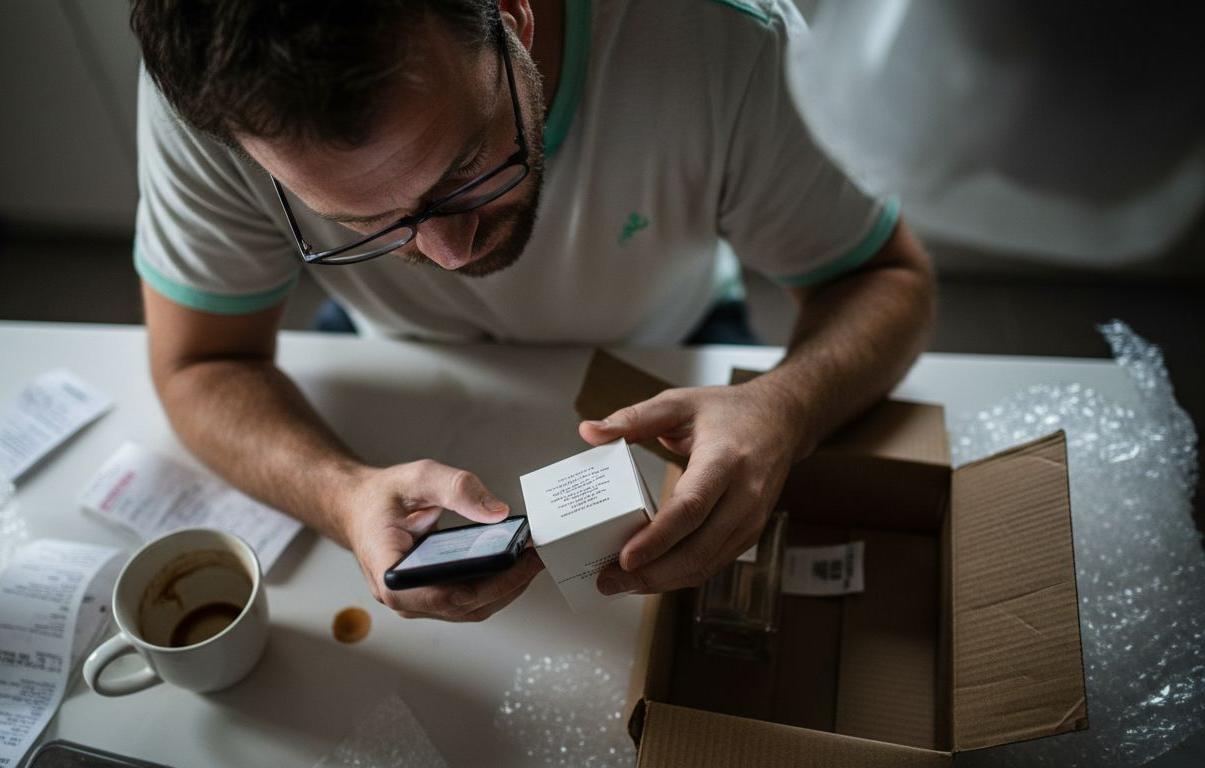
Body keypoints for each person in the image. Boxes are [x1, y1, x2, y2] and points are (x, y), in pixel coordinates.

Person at [129, 0, 937, 622]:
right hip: (395, 355)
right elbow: (202, 363)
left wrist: (787, 406)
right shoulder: (213, 108)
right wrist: (340, 494)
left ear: (513, 13)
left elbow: (887, 277)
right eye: (360, 222)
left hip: (675, 339)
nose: (450, 255)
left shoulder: (723, 39)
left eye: (466, 168)